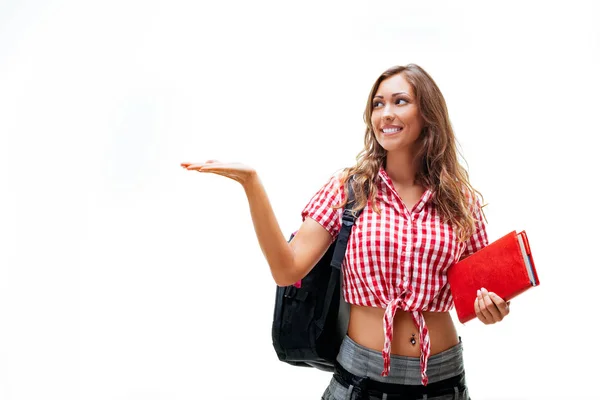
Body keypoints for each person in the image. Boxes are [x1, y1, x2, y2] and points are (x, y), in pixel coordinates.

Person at [181, 64, 510, 400]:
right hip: (361, 379)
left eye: (400, 101)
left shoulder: (459, 199)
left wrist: (492, 307)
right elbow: (286, 270)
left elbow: (480, 292)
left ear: (428, 113)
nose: (385, 114)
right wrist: (252, 184)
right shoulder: (351, 188)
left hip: (443, 380)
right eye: (378, 104)